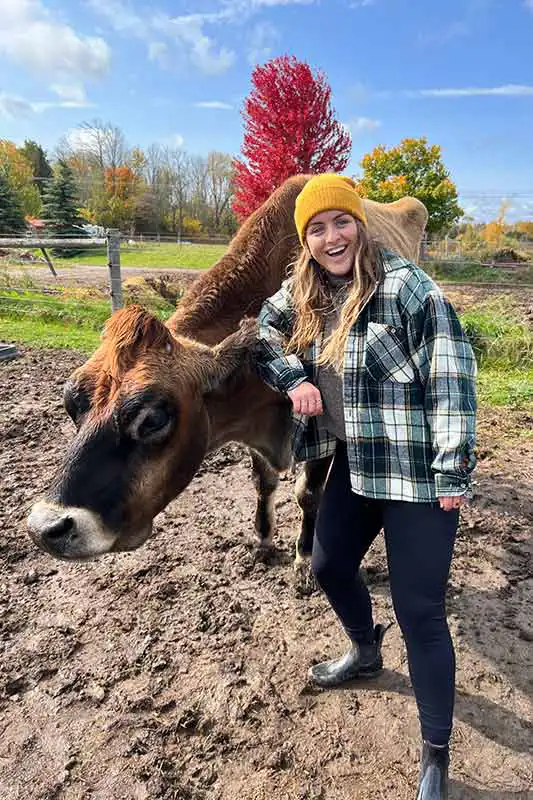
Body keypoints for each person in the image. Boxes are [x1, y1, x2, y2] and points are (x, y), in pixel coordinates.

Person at [254, 174, 477, 800]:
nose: (332, 237)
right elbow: (261, 335)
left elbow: (452, 373)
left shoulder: (406, 287)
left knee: (420, 612)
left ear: (360, 225)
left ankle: (435, 754)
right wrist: (293, 376)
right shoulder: (303, 292)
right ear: (306, 240)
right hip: (359, 464)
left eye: (341, 222)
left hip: (418, 475)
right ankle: (364, 649)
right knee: (327, 565)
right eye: (317, 228)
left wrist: (453, 468)